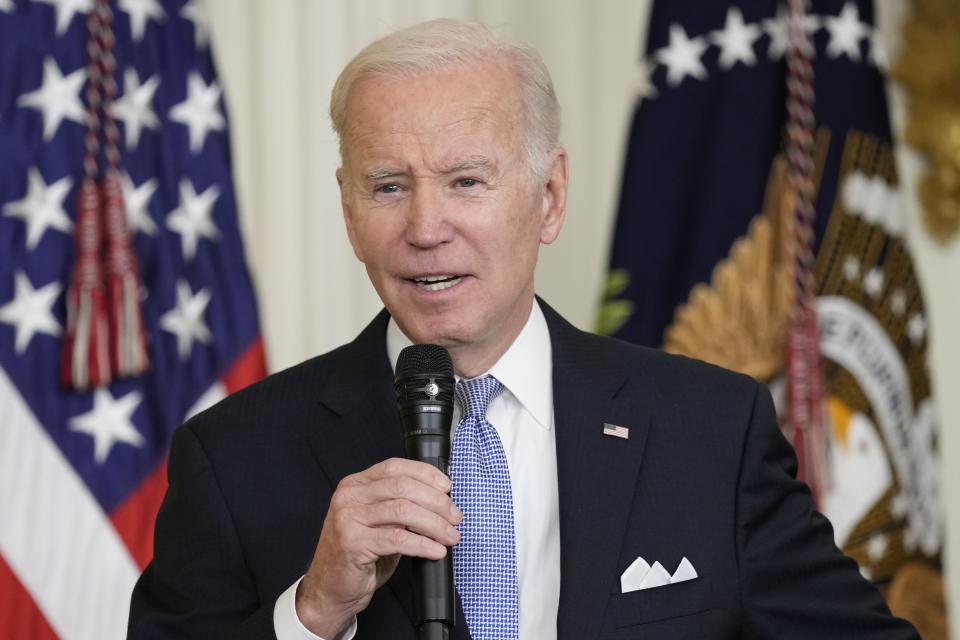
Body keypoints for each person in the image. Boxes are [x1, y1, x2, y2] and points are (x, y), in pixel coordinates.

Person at [127, 18, 919, 640]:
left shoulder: (710, 432)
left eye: (466, 181)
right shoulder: (234, 457)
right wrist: (312, 612)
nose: (426, 226)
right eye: (388, 186)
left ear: (549, 196)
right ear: (347, 207)